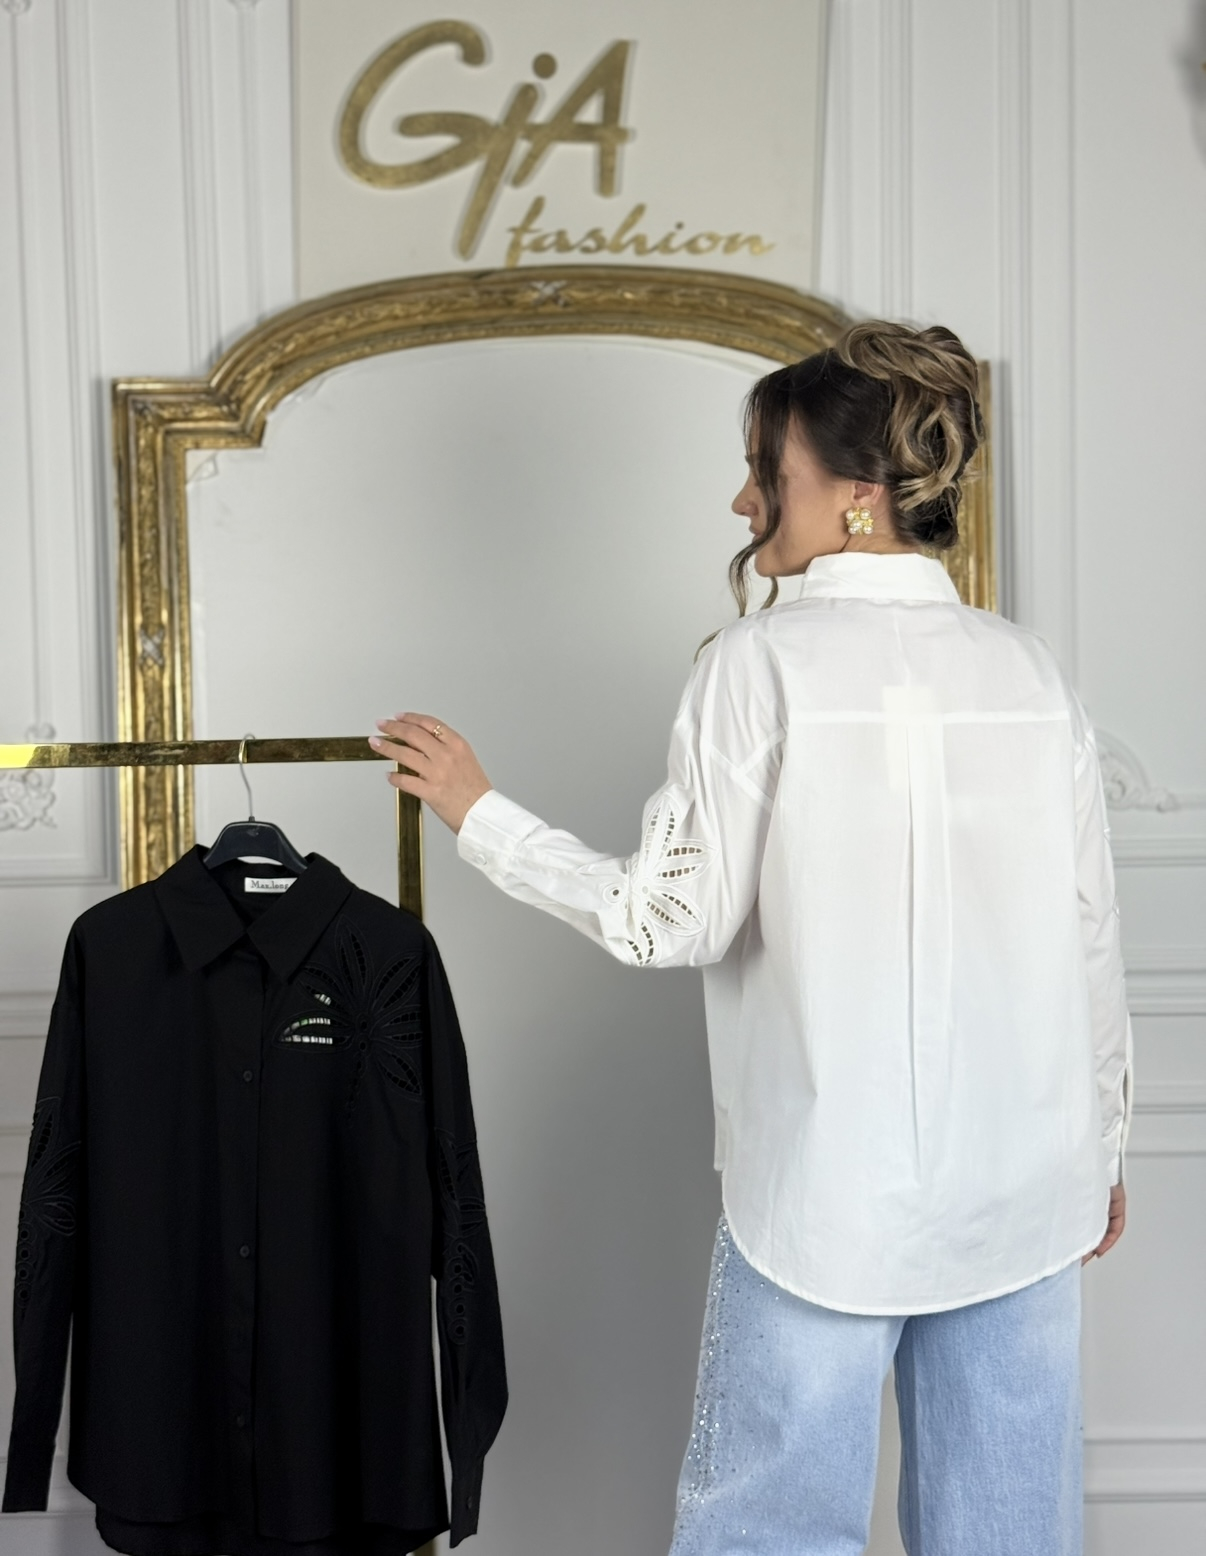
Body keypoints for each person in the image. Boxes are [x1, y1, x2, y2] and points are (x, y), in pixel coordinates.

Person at [368, 320, 1132, 1556]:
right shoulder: (1029, 672)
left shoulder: (757, 664)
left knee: (769, 1534)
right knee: (1010, 1537)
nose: (742, 501)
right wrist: (1104, 1145)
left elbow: (665, 918)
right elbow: (1088, 929)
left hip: (823, 1196)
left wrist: (482, 815)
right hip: (1029, 1183)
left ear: (856, 497)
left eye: (766, 470)